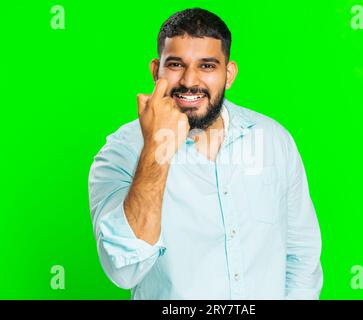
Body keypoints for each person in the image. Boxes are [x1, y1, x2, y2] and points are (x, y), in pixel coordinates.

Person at [88, 7, 323, 299]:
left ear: (229, 74)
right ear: (155, 71)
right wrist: (157, 149)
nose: (189, 81)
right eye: (175, 64)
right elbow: (123, 270)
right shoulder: (121, 152)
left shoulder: (273, 139)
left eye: (207, 66)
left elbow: (302, 255)